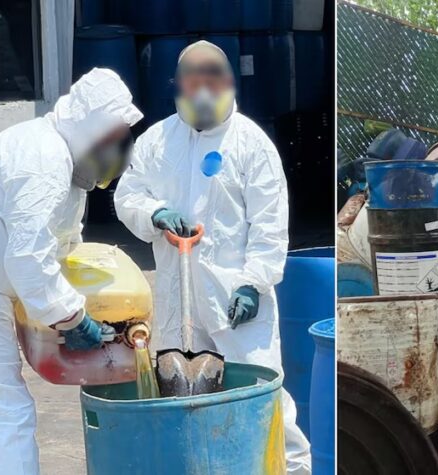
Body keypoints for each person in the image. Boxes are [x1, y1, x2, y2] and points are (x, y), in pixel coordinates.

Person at [114, 41, 311, 473]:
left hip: (235, 302)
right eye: (192, 85)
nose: (203, 96)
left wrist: (254, 283)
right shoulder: (157, 141)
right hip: (178, 300)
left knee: (263, 398)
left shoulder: (251, 145)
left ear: (229, 83)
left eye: (212, 83)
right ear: (177, 87)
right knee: (183, 400)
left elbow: (269, 223)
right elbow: (127, 195)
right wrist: (155, 213)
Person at [0, 68, 142, 474]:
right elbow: (28, 258)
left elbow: (62, 244)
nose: (115, 152)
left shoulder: (63, 162)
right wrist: (72, 317)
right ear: (91, 128)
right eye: (111, 138)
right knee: (2, 409)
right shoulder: (44, 160)